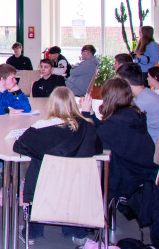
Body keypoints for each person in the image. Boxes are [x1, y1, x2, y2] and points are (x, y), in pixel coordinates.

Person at [80, 79, 159, 248]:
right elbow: (105, 132)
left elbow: (93, 142)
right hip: (143, 173)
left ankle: (83, 228)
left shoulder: (118, 123)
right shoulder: (131, 114)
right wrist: (91, 115)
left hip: (129, 179)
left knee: (83, 175)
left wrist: (86, 115)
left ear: (110, 98)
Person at [13, 86, 103, 245]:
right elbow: (97, 149)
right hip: (77, 190)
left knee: (37, 162)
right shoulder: (87, 128)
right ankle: (76, 230)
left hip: (45, 190)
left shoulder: (40, 128)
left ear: (51, 105)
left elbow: (18, 146)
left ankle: (33, 232)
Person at [117, 63, 159, 143]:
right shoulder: (146, 93)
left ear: (126, 81)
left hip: (152, 147)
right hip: (154, 143)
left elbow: (124, 127)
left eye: (118, 81)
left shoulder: (144, 101)